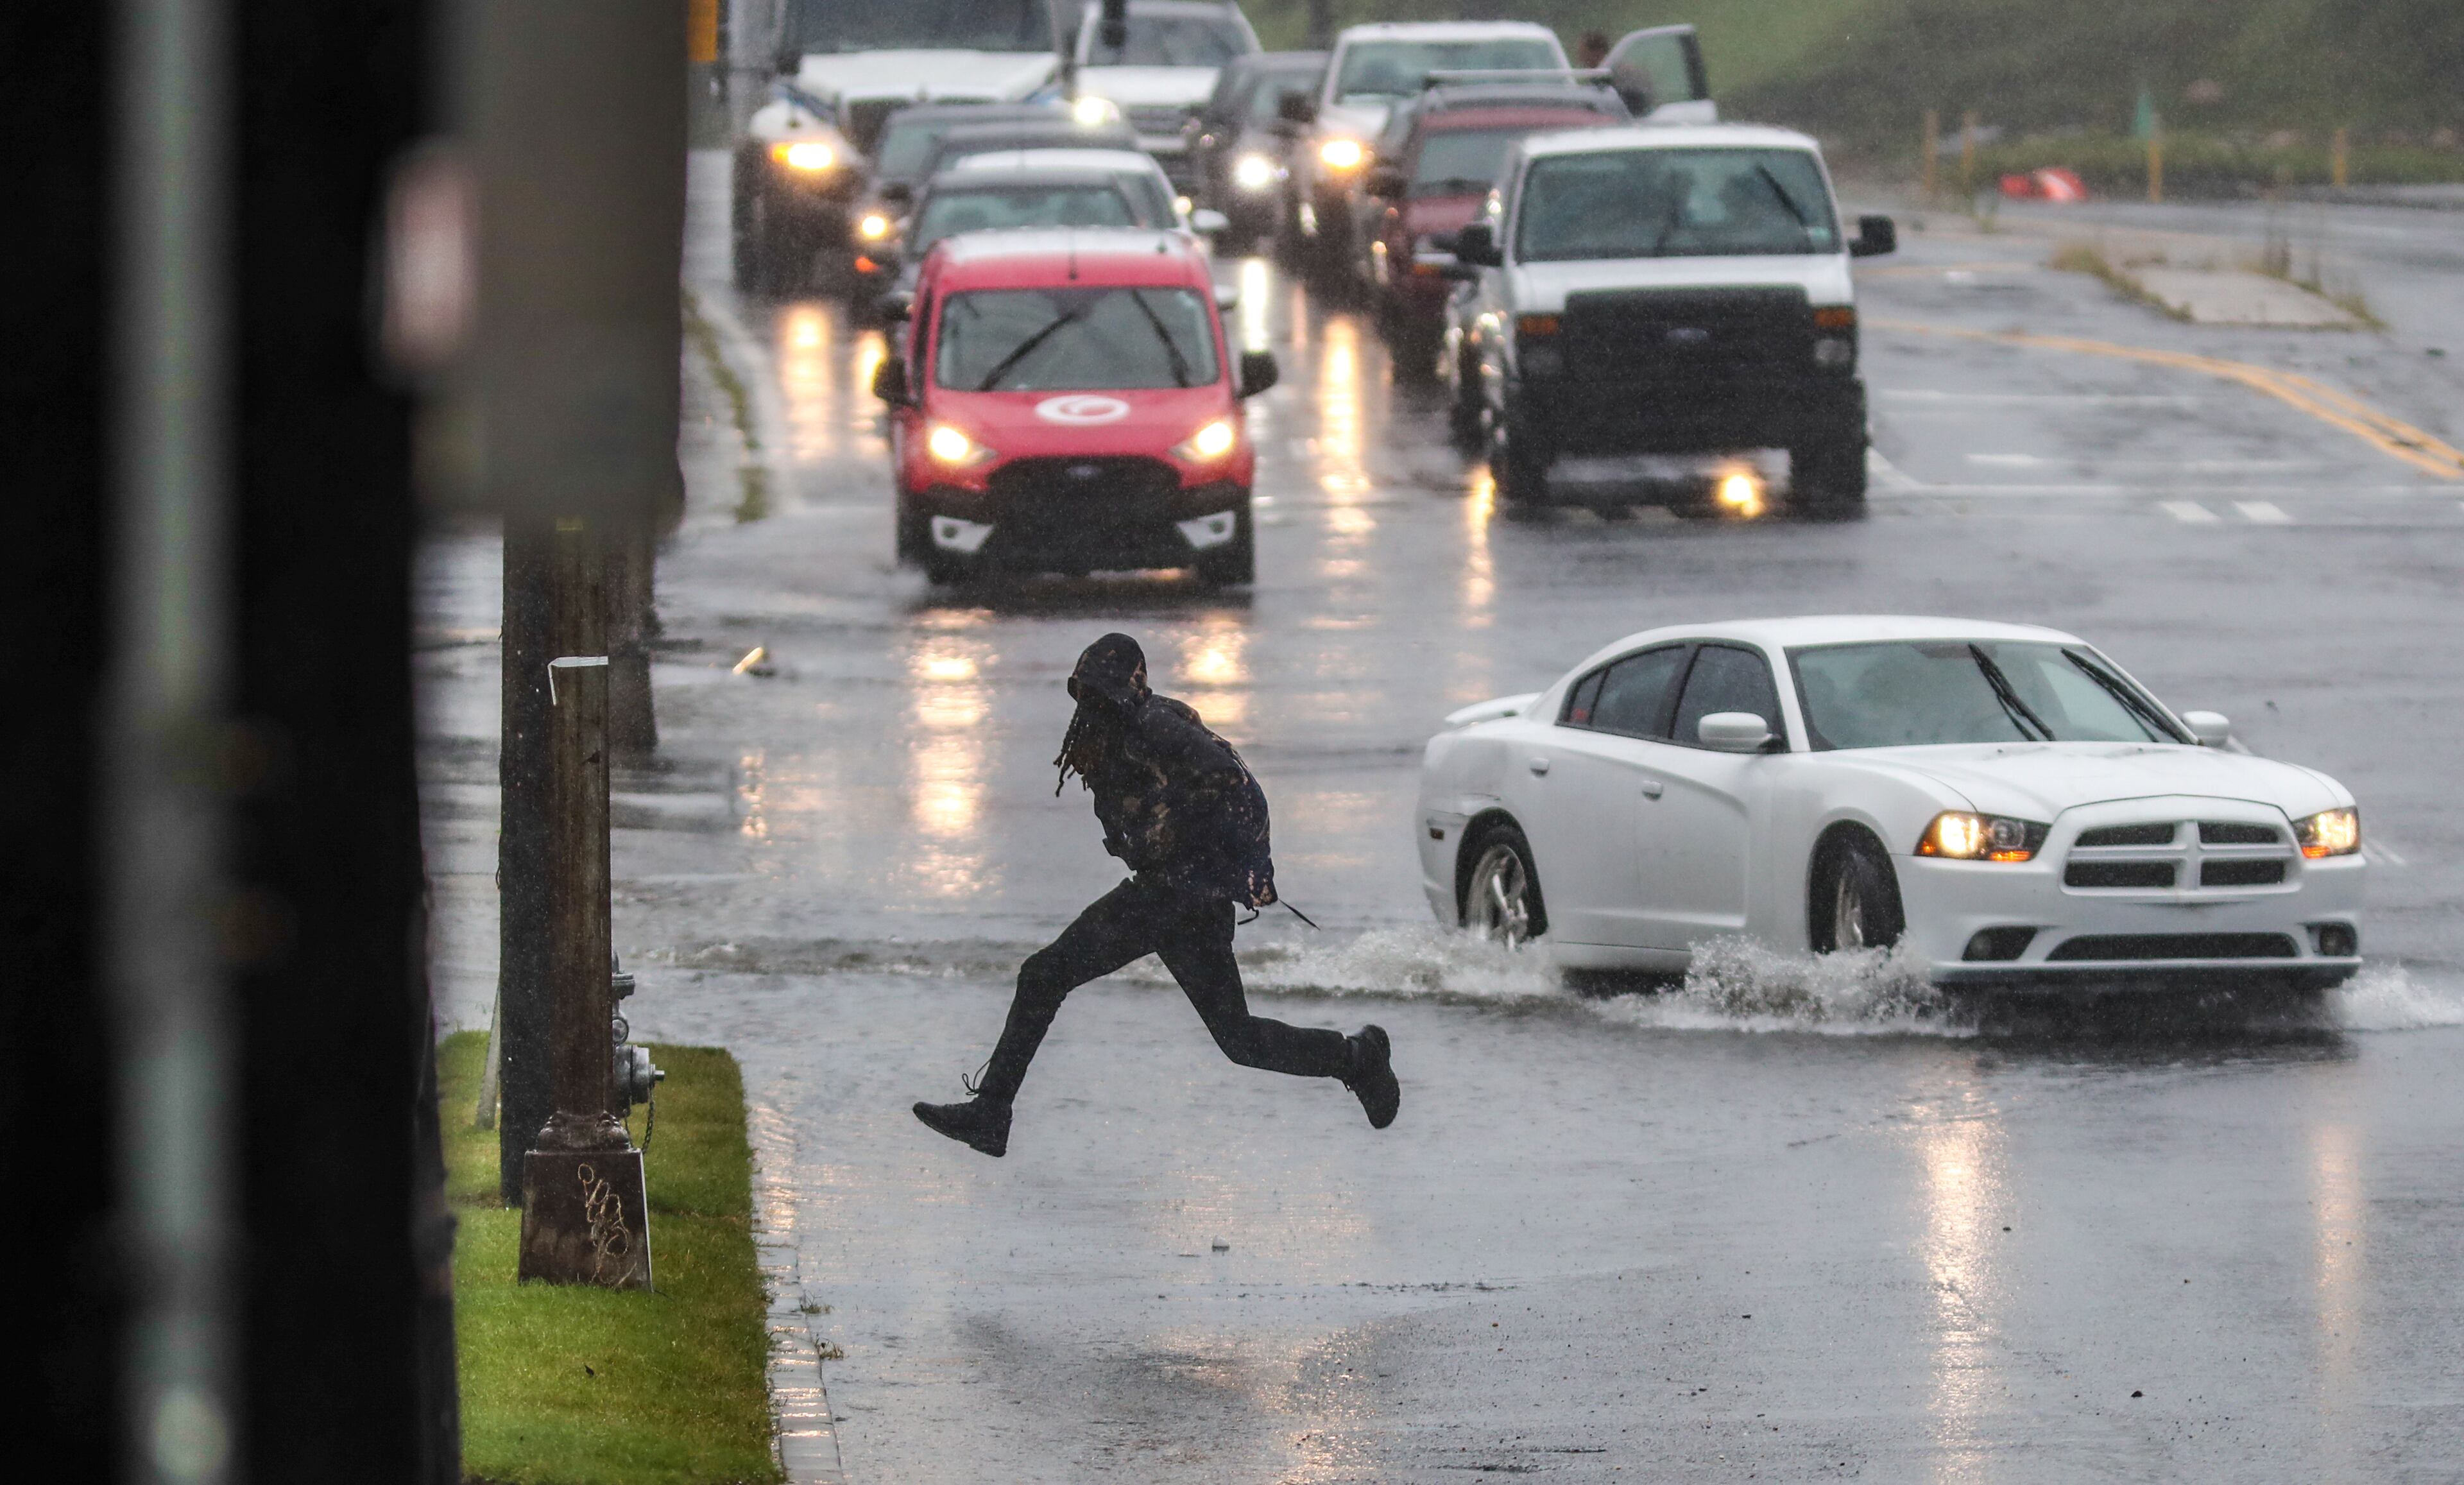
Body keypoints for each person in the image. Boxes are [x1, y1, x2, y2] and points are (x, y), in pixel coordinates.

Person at [913, 633, 1399, 1157]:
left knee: (1044, 975)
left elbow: (1234, 781)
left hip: (1175, 894)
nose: (1093, 705)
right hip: (1183, 899)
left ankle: (992, 1113)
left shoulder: (1154, 724)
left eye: (1103, 693)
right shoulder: (1109, 731)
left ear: (1129, 688)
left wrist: (1250, 866)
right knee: (1239, 1039)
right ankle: (1356, 1058)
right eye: (1085, 693)